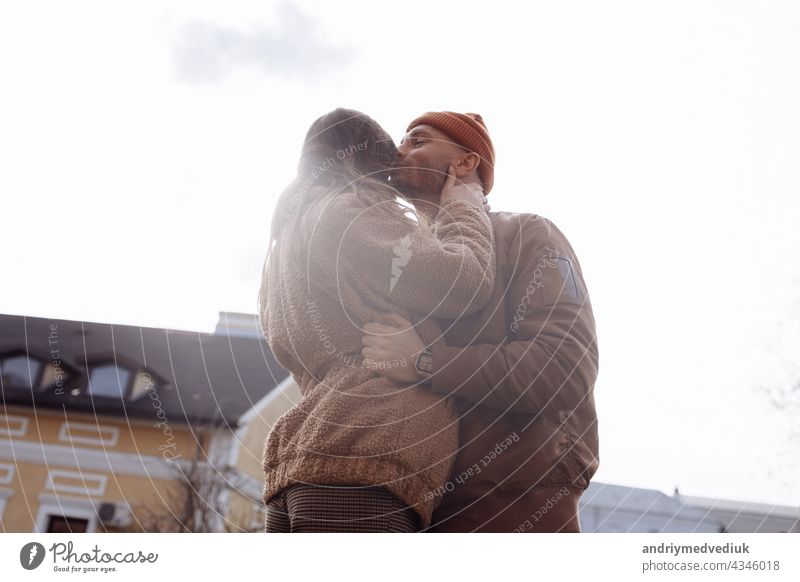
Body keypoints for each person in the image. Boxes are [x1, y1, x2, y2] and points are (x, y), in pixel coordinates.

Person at [258, 108, 495, 532]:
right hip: (366, 455)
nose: (398, 161)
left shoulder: (286, 240)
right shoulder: (351, 211)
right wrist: (464, 207)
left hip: (306, 458)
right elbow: (465, 281)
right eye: (393, 151)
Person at [362, 111, 600, 532]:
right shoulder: (407, 259)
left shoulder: (528, 235)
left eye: (417, 141)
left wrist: (426, 363)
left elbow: (564, 367)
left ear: (467, 163)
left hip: (518, 504)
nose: (399, 151)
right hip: (417, 507)